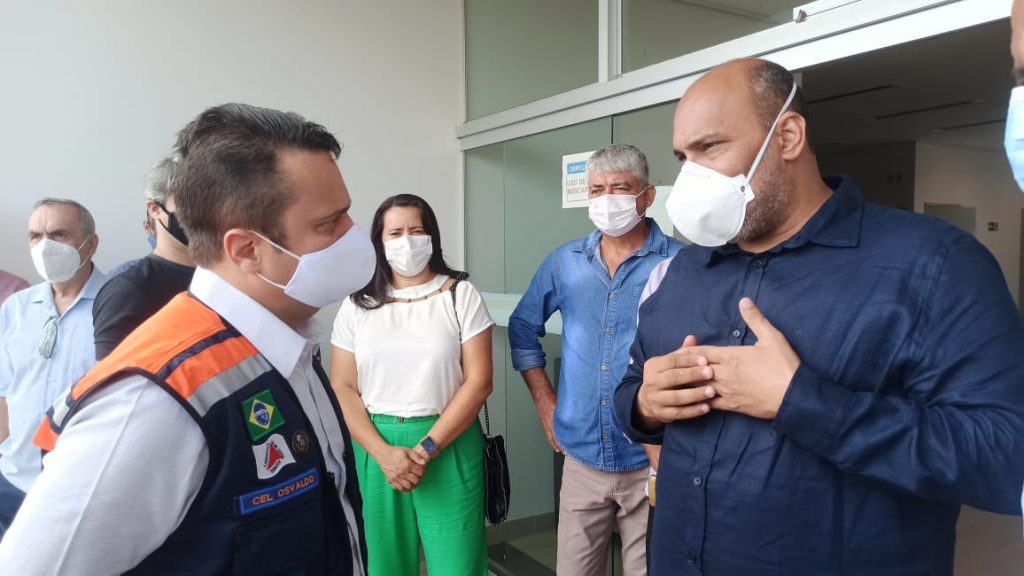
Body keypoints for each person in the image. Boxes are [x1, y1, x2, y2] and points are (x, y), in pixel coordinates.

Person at [613, 58, 1024, 576]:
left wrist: (802, 402)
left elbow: (1006, 457)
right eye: (682, 156)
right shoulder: (685, 270)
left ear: (787, 136)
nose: (691, 175)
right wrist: (646, 405)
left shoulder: (935, 265)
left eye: (710, 147)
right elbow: (631, 388)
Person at [0, 103, 373, 574]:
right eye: (330, 223)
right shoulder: (151, 402)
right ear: (247, 249)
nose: (353, 235)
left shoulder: (292, 348)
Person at [509, 144, 684, 576]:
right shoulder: (565, 262)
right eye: (596, 189)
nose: (607, 199)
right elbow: (523, 326)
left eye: (620, 188)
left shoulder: (679, 264)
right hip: (582, 455)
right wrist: (544, 400)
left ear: (646, 195)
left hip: (652, 458)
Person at [330, 193, 494, 576]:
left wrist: (425, 450)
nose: (407, 241)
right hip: (375, 446)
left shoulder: (460, 295)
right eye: (396, 232)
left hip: (448, 442)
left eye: (416, 230)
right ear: (380, 241)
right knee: (384, 566)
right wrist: (384, 454)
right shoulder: (357, 305)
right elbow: (342, 386)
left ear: (431, 237)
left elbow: (479, 381)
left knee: (458, 567)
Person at [0, 198, 105, 535]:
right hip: (12, 481)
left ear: (91, 244)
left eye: (59, 235)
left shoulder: (116, 307)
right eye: (36, 236)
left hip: (80, 487)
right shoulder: (16, 308)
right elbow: (4, 394)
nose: (45, 246)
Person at [92, 155, 196, 360]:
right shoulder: (127, 290)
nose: (202, 213)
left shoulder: (229, 274)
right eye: (188, 203)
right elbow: (114, 375)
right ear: (155, 209)